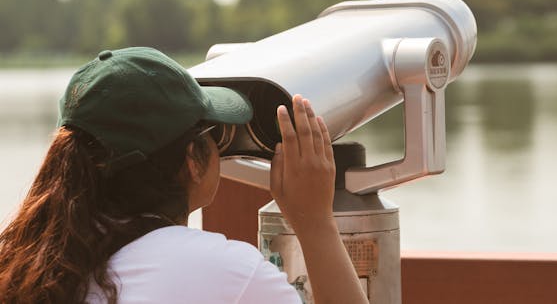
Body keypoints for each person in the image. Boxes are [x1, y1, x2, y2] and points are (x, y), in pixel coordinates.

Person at [0, 47, 368, 304]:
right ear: (193, 158)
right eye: (214, 134)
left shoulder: (26, 264)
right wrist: (314, 221)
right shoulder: (226, 274)